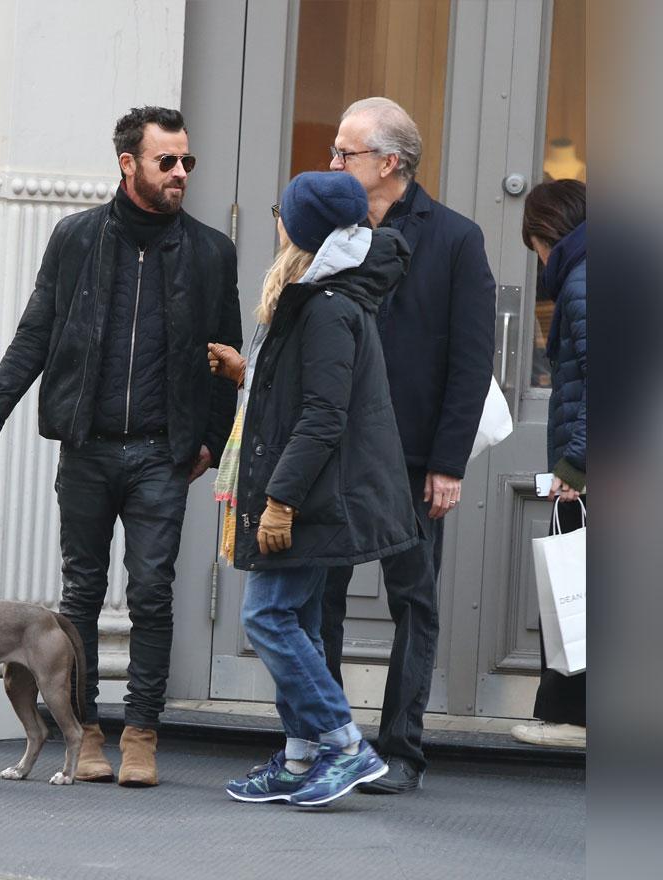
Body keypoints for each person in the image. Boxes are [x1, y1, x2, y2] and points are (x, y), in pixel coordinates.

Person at [0, 107, 243, 786]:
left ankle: (141, 731)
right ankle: (84, 730)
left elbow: (225, 354)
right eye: (166, 161)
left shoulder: (209, 251)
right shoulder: (76, 239)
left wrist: (210, 438)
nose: (180, 174)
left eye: (186, 162)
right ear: (128, 165)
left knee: (151, 590)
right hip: (87, 447)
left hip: (160, 454)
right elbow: (35, 334)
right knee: (80, 593)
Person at [211, 171, 418, 807]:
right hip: (307, 490)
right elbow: (303, 396)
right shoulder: (318, 294)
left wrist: (281, 500)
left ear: (302, 229)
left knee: (266, 616)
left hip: (309, 498)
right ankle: (301, 756)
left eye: (282, 210)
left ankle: (344, 743)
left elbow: (324, 415)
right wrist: (249, 373)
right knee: (293, 615)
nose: (277, 219)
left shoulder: (329, 304)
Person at [319, 97, 496, 793]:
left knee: (413, 602)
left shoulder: (455, 238)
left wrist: (449, 463)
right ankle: (328, 737)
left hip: (417, 455)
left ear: (389, 163)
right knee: (319, 598)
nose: (332, 163)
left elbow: (471, 360)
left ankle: (401, 750)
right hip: (335, 448)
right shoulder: (329, 229)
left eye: (345, 153)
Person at [511, 179, 587, 748]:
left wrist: (576, 462)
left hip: (588, 464)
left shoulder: (585, 279)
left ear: (546, 234)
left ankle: (571, 718)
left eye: (533, 245)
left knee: (577, 583)